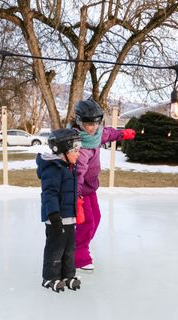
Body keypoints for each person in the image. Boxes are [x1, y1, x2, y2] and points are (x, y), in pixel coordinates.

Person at [72, 98, 136, 271]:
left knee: (97, 218)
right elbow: (77, 173)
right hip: (79, 190)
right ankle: (78, 253)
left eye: (95, 123)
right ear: (79, 121)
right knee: (87, 222)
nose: (91, 128)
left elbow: (109, 133)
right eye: (87, 124)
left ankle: (77, 244)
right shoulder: (78, 145)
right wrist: (76, 197)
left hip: (91, 187)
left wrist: (123, 134)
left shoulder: (98, 134)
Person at [36, 128, 84, 293]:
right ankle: (50, 278)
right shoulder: (53, 168)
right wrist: (54, 215)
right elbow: (49, 194)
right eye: (75, 150)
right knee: (55, 250)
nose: (78, 154)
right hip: (56, 218)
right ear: (62, 150)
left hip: (69, 218)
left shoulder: (68, 167)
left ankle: (68, 276)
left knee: (69, 249)